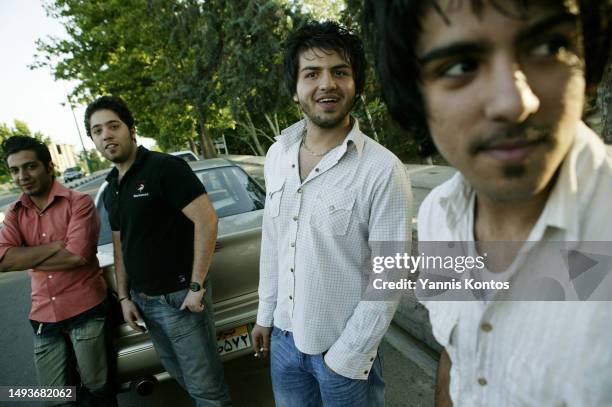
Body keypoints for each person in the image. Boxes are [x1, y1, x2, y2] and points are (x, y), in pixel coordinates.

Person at [366, 0, 612, 405]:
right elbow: (457, 354)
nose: (514, 102)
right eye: (462, 66)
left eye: (549, 46)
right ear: (414, 94)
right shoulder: (437, 217)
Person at [250, 21, 412, 407]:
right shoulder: (277, 155)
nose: (327, 84)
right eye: (312, 73)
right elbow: (273, 242)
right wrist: (264, 315)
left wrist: (347, 357)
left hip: (344, 352)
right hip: (285, 343)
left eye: (340, 72)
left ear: (356, 85)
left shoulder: (382, 169)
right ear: (295, 89)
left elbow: (389, 274)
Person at [85, 95, 231, 406]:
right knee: (179, 375)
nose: (106, 135)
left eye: (113, 126)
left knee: (207, 389)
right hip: (145, 302)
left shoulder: (164, 168)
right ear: (93, 140)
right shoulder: (113, 186)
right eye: (97, 131)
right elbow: (121, 245)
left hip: (180, 299)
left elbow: (206, 220)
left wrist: (196, 286)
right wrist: (124, 297)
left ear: (131, 129)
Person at [0, 136, 116, 406]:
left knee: (98, 389)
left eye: (30, 167)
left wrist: (26, 256)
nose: (22, 176)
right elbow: (3, 261)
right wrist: (54, 245)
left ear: (49, 166)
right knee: (54, 397)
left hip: (85, 308)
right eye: (15, 170)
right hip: (44, 315)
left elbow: (77, 256)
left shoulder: (78, 202)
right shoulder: (15, 213)